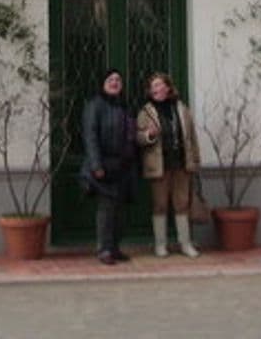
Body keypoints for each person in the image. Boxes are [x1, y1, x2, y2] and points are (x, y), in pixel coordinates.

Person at [137, 71, 201, 258]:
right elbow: (138, 138)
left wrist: (195, 160)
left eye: (159, 85)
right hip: (158, 166)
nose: (156, 89)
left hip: (181, 164)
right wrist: (149, 135)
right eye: (153, 86)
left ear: (167, 87)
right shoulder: (146, 111)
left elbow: (192, 137)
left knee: (182, 204)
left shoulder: (181, 109)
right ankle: (160, 245)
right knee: (160, 205)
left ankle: (185, 244)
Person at [79, 69, 136, 265]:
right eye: (110, 79)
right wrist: (96, 164)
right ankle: (104, 249)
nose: (114, 82)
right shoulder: (95, 105)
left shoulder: (124, 106)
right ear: (103, 83)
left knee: (120, 211)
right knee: (106, 210)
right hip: (104, 165)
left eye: (118, 79)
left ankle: (115, 247)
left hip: (124, 167)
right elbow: (90, 136)